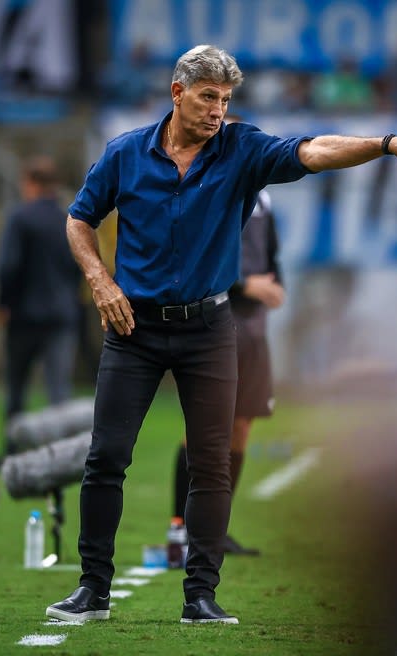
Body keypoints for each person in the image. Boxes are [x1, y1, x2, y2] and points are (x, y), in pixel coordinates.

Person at [46, 44, 397, 626]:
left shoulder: (242, 148)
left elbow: (315, 150)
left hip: (209, 329)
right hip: (132, 328)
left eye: (226, 99)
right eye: (208, 97)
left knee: (211, 463)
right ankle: (93, 589)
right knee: (106, 457)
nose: (217, 110)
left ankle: (200, 596)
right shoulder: (125, 153)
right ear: (178, 92)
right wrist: (98, 279)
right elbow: (79, 219)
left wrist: (384, 145)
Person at [170, 132, 285, 555]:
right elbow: (189, 258)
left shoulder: (265, 197)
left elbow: (270, 255)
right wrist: (244, 284)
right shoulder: (201, 190)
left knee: (241, 428)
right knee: (202, 430)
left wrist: (275, 284)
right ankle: (181, 527)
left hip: (253, 329)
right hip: (215, 321)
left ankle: (216, 530)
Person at [0, 156, 81, 449]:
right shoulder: (68, 218)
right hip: (61, 317)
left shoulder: (20, 218)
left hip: (24, 317)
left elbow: (8, 266)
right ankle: (62, 458)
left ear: (30, 184)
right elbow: (78, 265)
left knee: (16, 391)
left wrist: (3, 303)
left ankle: (12, 454)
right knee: (58, 394)